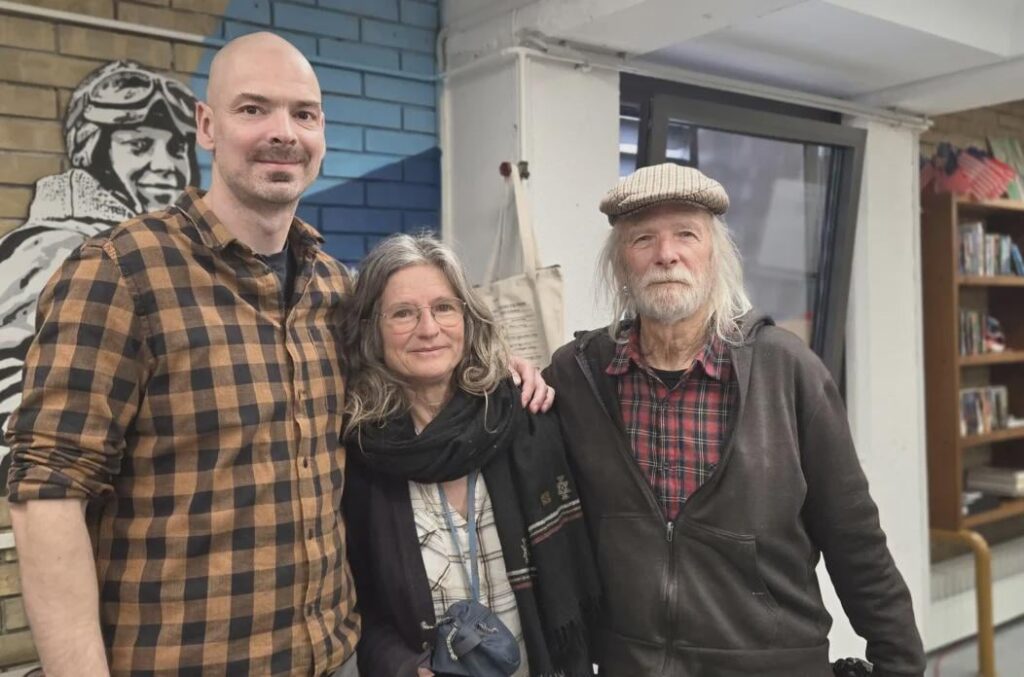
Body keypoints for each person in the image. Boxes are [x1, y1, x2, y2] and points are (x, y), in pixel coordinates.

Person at [4, 34, 551, 676]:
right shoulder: (119, 274)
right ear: (207, 126)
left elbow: (415, 376)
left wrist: (502, 371)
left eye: (304, 114)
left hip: (334, 657)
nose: (282, 132)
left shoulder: (334, 287)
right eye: (253, 109)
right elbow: (46, 491)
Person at [543, 163, 926, 677]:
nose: (666, 254)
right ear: (620, 266)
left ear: (715, 256)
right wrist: (507, 375)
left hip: (772, 664)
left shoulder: (788, 371)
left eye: (686, 235)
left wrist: (899, 663)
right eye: (643, 240)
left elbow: (854, 538)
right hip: (628, 662)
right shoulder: (579, 376)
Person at [341, 234, 599, 677]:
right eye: (404, 313)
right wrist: (401, 667)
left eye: (444, 307)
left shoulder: (520, 413)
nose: (428, 329)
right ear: (372, 330)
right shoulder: (360, 454)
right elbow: (353, 601)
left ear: (467, 317)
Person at [0, 60, 198, 479]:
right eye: (140, 146)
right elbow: (12, 387)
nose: (166, 165)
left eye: (177, 148)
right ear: (94, 150)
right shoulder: (58, 247)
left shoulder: (169, 249)